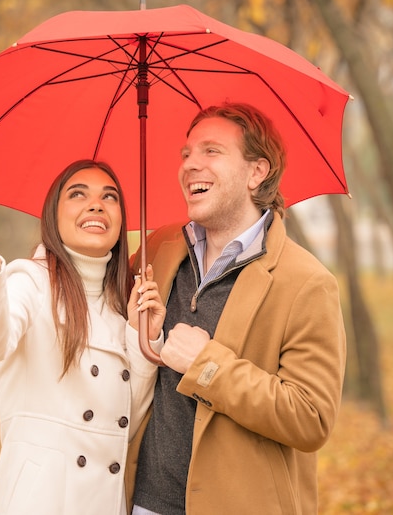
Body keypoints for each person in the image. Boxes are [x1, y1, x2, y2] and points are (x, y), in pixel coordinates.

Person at [126, 103, 347, 515]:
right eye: (186, 154)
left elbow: (311, 417)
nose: (190, 164)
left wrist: (206, 366)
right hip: (144, 504)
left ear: (257, 171)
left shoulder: (307, 283)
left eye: (211, 151)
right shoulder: (159, 247)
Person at [0, 159, 165, 515]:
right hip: (41, 501)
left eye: (110, 196)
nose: (96, 204)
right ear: (52, 216)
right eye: (77, 194)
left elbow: (126, 427)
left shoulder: (124, 308)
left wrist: (141, 336)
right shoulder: (30, 280)